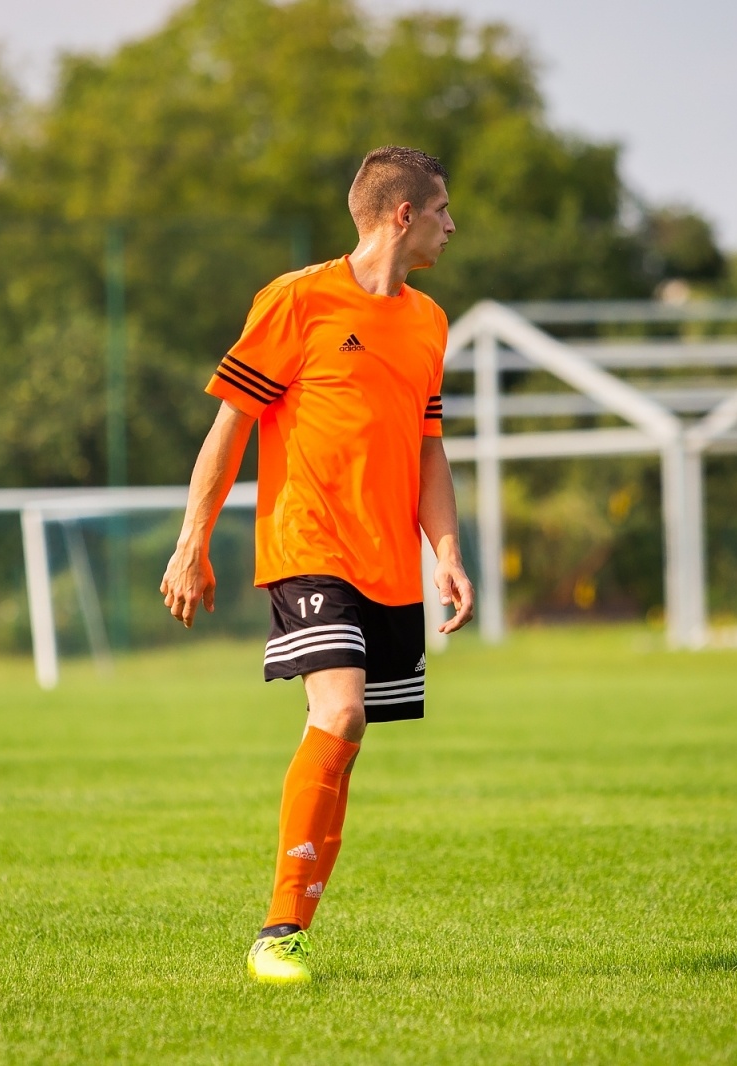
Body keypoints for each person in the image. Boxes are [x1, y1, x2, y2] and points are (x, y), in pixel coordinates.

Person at [160, 145, 475, 985]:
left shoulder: (431, 323)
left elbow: (428, 450)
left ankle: (292, 928)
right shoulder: (296, 299)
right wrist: (192, 540)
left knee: (351, 732)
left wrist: (445, 550)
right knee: (338, 712)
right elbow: (228, 427)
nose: (452, 225)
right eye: (442, 209)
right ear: (401, 216)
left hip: (388, 566)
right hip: (308, 545)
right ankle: (275, 936)